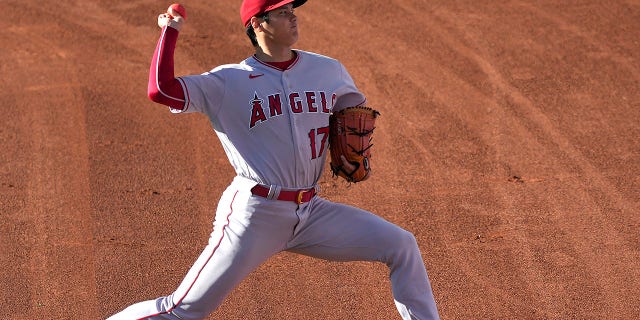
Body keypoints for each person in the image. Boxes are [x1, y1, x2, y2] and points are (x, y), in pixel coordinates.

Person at [107, 0, 440, 319]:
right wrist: (170, 31)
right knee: (184, 309)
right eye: (281, 13)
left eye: (291, 10)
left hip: (312, 211)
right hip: (255, 216)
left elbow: (352, 115)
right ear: (257, 24)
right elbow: (161, 91)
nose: (292, 17)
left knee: (401, 245)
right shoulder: (228, 81)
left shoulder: (328, 70)